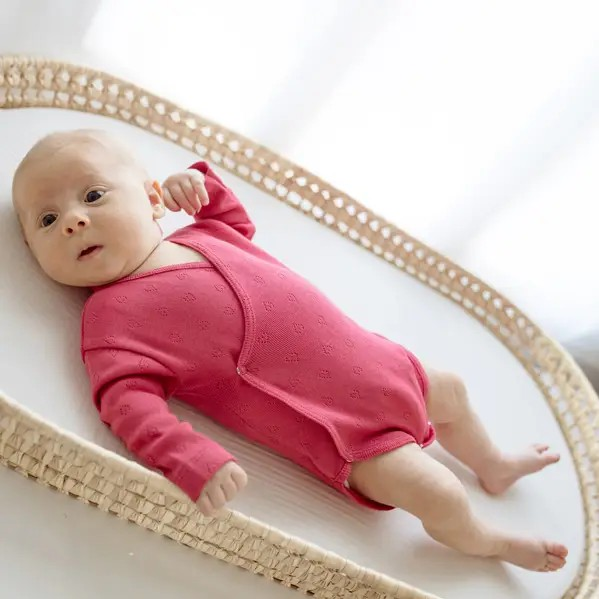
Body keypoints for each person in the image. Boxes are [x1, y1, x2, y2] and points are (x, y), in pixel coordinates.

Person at [11, 129, 567, 572]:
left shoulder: (201, 235)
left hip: (378, 362)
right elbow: (125, 402)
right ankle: (483, 539)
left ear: (153, 198)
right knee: (436, 491)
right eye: (47, 220)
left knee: (452, 393)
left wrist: (202, 189)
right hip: (340, 431)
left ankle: (492, 464)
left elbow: (237, 223)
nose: (74, 221)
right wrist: (186, 455)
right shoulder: (110, 319)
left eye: (92, 196)